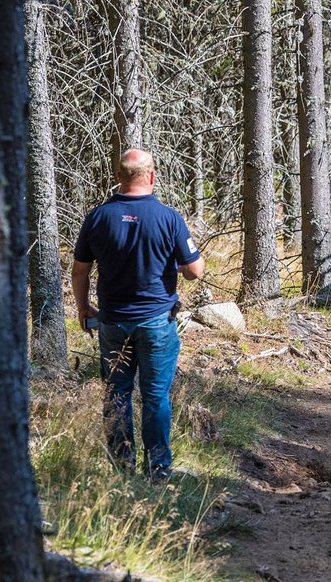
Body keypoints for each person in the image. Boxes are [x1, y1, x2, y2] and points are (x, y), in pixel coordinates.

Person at [72, 149, 205, 481]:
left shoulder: (98, 217)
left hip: (113, 321)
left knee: (116, 393)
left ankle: (122, 467)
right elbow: (195, 272)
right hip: (157, 322)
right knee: (155, 397)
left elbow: (79, 271)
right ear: (152, 176)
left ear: (119, 177)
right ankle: (158, 469)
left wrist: (83, 307)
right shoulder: (169, 218)